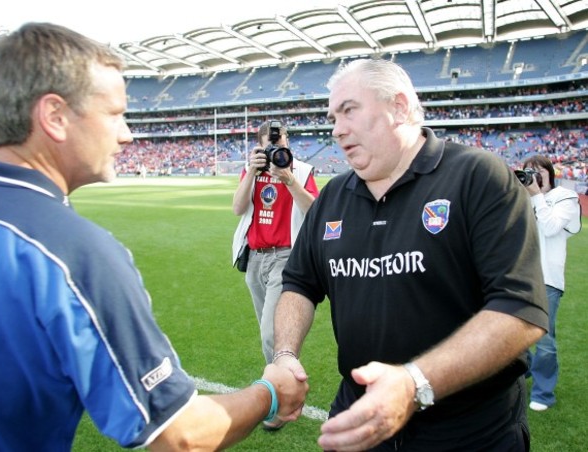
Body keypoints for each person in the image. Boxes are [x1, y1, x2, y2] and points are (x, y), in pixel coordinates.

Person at [0, 23, 307, 451]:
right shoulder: (73, 253)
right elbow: (179, 435)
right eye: (114, 113)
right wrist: (271, 390)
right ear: (55, 116)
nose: (127, 133)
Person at [272, 58, 548, 451]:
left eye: (349, 110)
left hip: (469, 431)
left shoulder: (478, 177)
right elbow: (300, 283)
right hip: (360, 418)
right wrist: (285, 354)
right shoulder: (333, 196)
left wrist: (414, 383)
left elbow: (520, 309)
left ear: (399, 107)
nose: (337, 129)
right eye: (333, 116)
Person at [232, 121, 318, 362]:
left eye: (281, 143)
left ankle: (284, 388)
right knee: (268, 333)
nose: (277, 150)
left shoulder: (300, 171)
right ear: (259, 147)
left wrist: (289, 179)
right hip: (255, 259)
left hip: (285, 257)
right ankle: (283, 381)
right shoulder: (251, 170)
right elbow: (238, 209)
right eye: (270, 146)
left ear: (287, 141)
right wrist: (251, 171)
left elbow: (314, 212)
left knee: (273, 334)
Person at [521, 155, 581, 412]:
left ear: (549, 173)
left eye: (538, 171)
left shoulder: (566, 197)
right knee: (508, 329)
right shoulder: (522, 199)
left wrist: (536, 194)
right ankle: (525, 370)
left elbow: (550, 227)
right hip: (520, 275)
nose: (533, 176)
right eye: (528, 172)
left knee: (543, 338)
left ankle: (544, 393)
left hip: (548, 278)